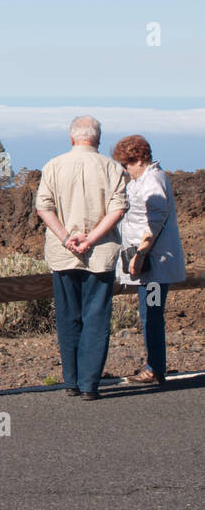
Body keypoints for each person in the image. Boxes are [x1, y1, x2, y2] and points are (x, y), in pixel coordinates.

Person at [35, 116, 128, 400]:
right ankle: (89, 384)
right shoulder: (113, 168)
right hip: (99, 253)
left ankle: (71, 381)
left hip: (63, 253)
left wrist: (66, 238)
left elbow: (43, 206)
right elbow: (118, 208)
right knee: (96, 317)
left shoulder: (53, 165)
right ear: (98, 139)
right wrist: (91, 238)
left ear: (72, 138)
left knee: (67, 316)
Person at [111, 135, 185, 386]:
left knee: (151, 314)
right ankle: (154, 365)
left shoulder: (152, 179)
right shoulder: (143, 180)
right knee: (149, 313)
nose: (125, 169)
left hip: (154, 266)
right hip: (149, 264)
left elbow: (155, 220)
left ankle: (155, 368)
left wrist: (142, 253)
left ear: (139, 159)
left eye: (127, 163)